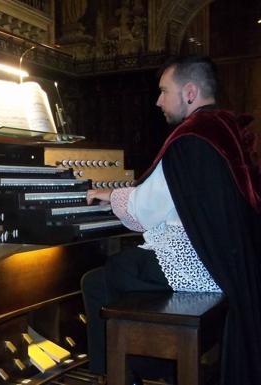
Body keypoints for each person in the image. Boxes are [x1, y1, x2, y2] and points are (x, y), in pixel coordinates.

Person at [81, 56, 261, 385]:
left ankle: (124, 372)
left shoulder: (190, 136)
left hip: (200, 265)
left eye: (164, 91)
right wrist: (122, 193)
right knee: (107, 276)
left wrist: (115, 196)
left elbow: (145, 211)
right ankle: (149, 365)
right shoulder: (223, 127)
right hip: (228, 264)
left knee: (109, 273)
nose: (158, 100)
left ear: (189, 92)